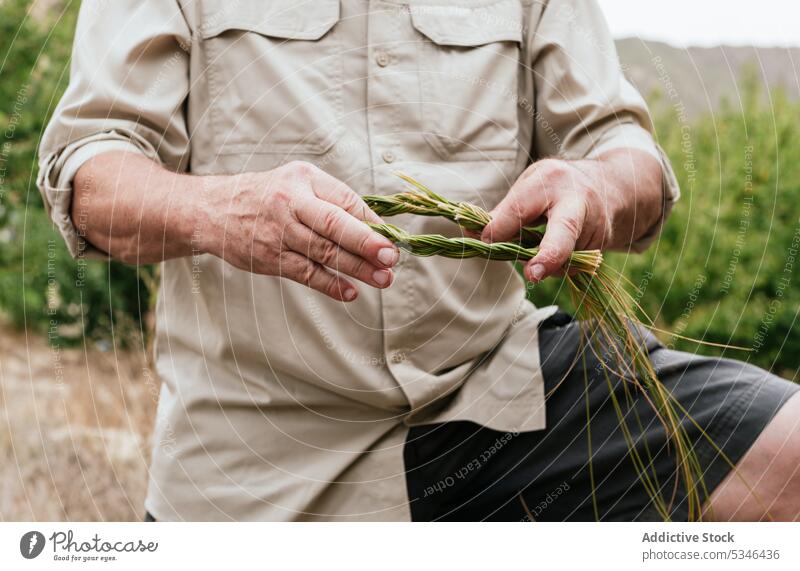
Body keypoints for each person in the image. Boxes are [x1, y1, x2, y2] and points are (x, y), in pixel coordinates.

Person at [38, 0, 799, 521]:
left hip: (499, 394)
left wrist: (594, 187)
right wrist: (219, 211)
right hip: (258, 453)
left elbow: (625, 152)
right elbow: (91, 171)